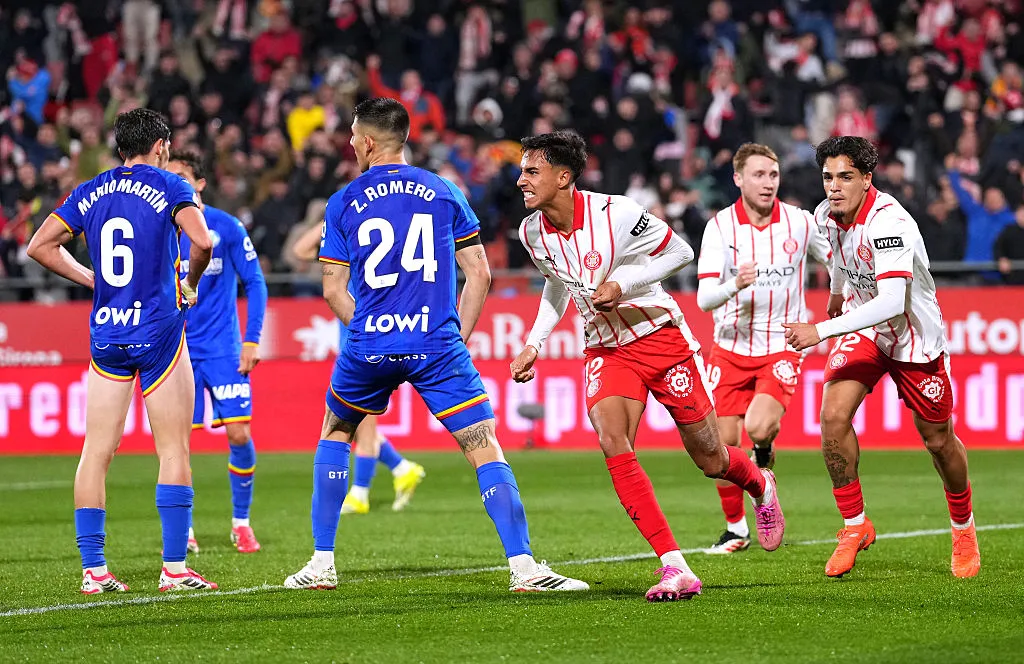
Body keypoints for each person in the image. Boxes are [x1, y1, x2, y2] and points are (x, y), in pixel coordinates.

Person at [283, 98, 588, 593]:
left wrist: (365, 328)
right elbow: (479, 275)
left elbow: (332, 289)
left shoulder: (341, 202)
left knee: (336, 432)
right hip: (436, 344)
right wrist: (458, 337)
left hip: (370, 345)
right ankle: (525, 569)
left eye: (353, 137)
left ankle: (320, 563)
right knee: (483, 446)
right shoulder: (444, 190)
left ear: (365, 141)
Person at [509, 130, 783, 603]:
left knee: (712, 459)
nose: (521, 181)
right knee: (612, 440)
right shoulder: (530, 232)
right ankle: (674, 566)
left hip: (660, 338)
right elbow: (556, 284)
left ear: (564, 176)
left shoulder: (617, 213)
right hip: (605, 348)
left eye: (532, 171)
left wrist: (623, 282)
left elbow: (680, 252)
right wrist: (535, 342)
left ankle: (760, 482)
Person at [25, 108, 218, 593]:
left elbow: (39, 246)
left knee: (96, 450)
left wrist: (92, 279)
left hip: (107, 333)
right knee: (173, 449)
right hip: (158, 332)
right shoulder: (171, 186)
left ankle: (94, 571)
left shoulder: (90, 190)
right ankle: (174, 570)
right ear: (161, 147)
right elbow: (202, 242)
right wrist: (190, 285)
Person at [783, 136, 981, 579]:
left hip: (913, 338)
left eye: (845, 178)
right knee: (832, 418)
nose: (834, 187)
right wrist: (836, 292)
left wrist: (821, 329)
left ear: (867, 179)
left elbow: (893, 301)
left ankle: (963, 526)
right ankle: (855, 525)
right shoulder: (826, 213)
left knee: (938, 441)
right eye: (828, 177)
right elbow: (835, 253)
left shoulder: (890, 223)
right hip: (865, 328)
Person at [696, 143, 832, 554]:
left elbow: (837, 259)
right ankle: (736, 528)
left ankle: (764, 457)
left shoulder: (800, 223)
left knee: (756, 426)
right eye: (758, 175)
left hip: (781, 343)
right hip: (729, 345)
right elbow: (704, 299)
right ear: (738, 179)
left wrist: (846, 292)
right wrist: (734, 284)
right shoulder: (719, 228)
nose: (768, 183)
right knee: (718, 448)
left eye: (773, 175)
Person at [167, 150, 268, 554]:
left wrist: (251, 339)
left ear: (200, 183)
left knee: (239, 432)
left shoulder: (226, 228)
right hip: (178, 354)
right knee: (178, 443)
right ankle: (185, 529)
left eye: (181, 177)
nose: (173, 183)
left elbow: (256, 284)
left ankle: (241, 523)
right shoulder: (164, 229)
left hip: (225, 350)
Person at [292, 222, 427, 514]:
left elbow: (301, 251)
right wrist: (331, 220)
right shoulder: (346, 237)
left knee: (361, 420)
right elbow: (299, 251)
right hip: (352, 331)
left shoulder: (376, 237)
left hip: (374, 331)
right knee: (358, 419)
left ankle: (361, 493)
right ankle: (402, 469)